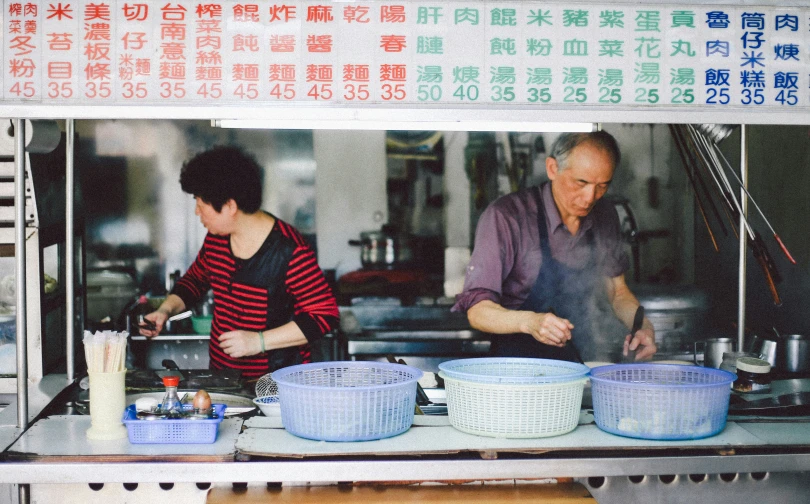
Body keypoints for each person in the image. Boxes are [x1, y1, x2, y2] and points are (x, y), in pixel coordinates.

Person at [453, 131, 656, 363]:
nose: (590, 197)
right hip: (518, 370)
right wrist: (532, 322)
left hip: (584, 363)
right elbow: (478, 311)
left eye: (602, 186)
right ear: (552, 168)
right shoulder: (506, 217)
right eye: (581, 182)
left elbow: (618, 291)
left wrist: (644, 327)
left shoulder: (605, 214)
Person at [140, 146, 340, 378]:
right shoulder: (217, 239)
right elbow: (195, 281)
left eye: (200, 203)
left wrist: (259, 341)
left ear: (230, 206)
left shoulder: (289, 251)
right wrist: (165, 310)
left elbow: (324, 316)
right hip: (223, 378)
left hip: (276, 385)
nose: (197, 212)